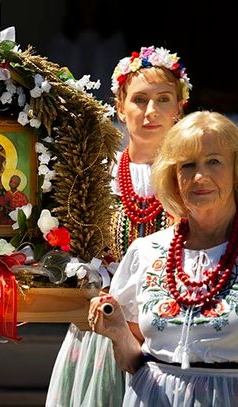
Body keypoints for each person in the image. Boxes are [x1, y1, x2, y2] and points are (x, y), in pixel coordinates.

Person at [46, 46, 191, 406]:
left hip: (170, 331)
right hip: (103, 327)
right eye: (140, 100)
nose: (151, 111)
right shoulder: (97, 173)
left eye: (163, 99)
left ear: (180, 107)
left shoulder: (193, 176)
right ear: (120, 106)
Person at [89, 111, 238, 406]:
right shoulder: (146, 251)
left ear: (237, 169)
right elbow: (133, 359)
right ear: (173, 178)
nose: (200, 176)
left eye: (214, 161)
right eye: (187, 165)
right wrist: (117, 331)